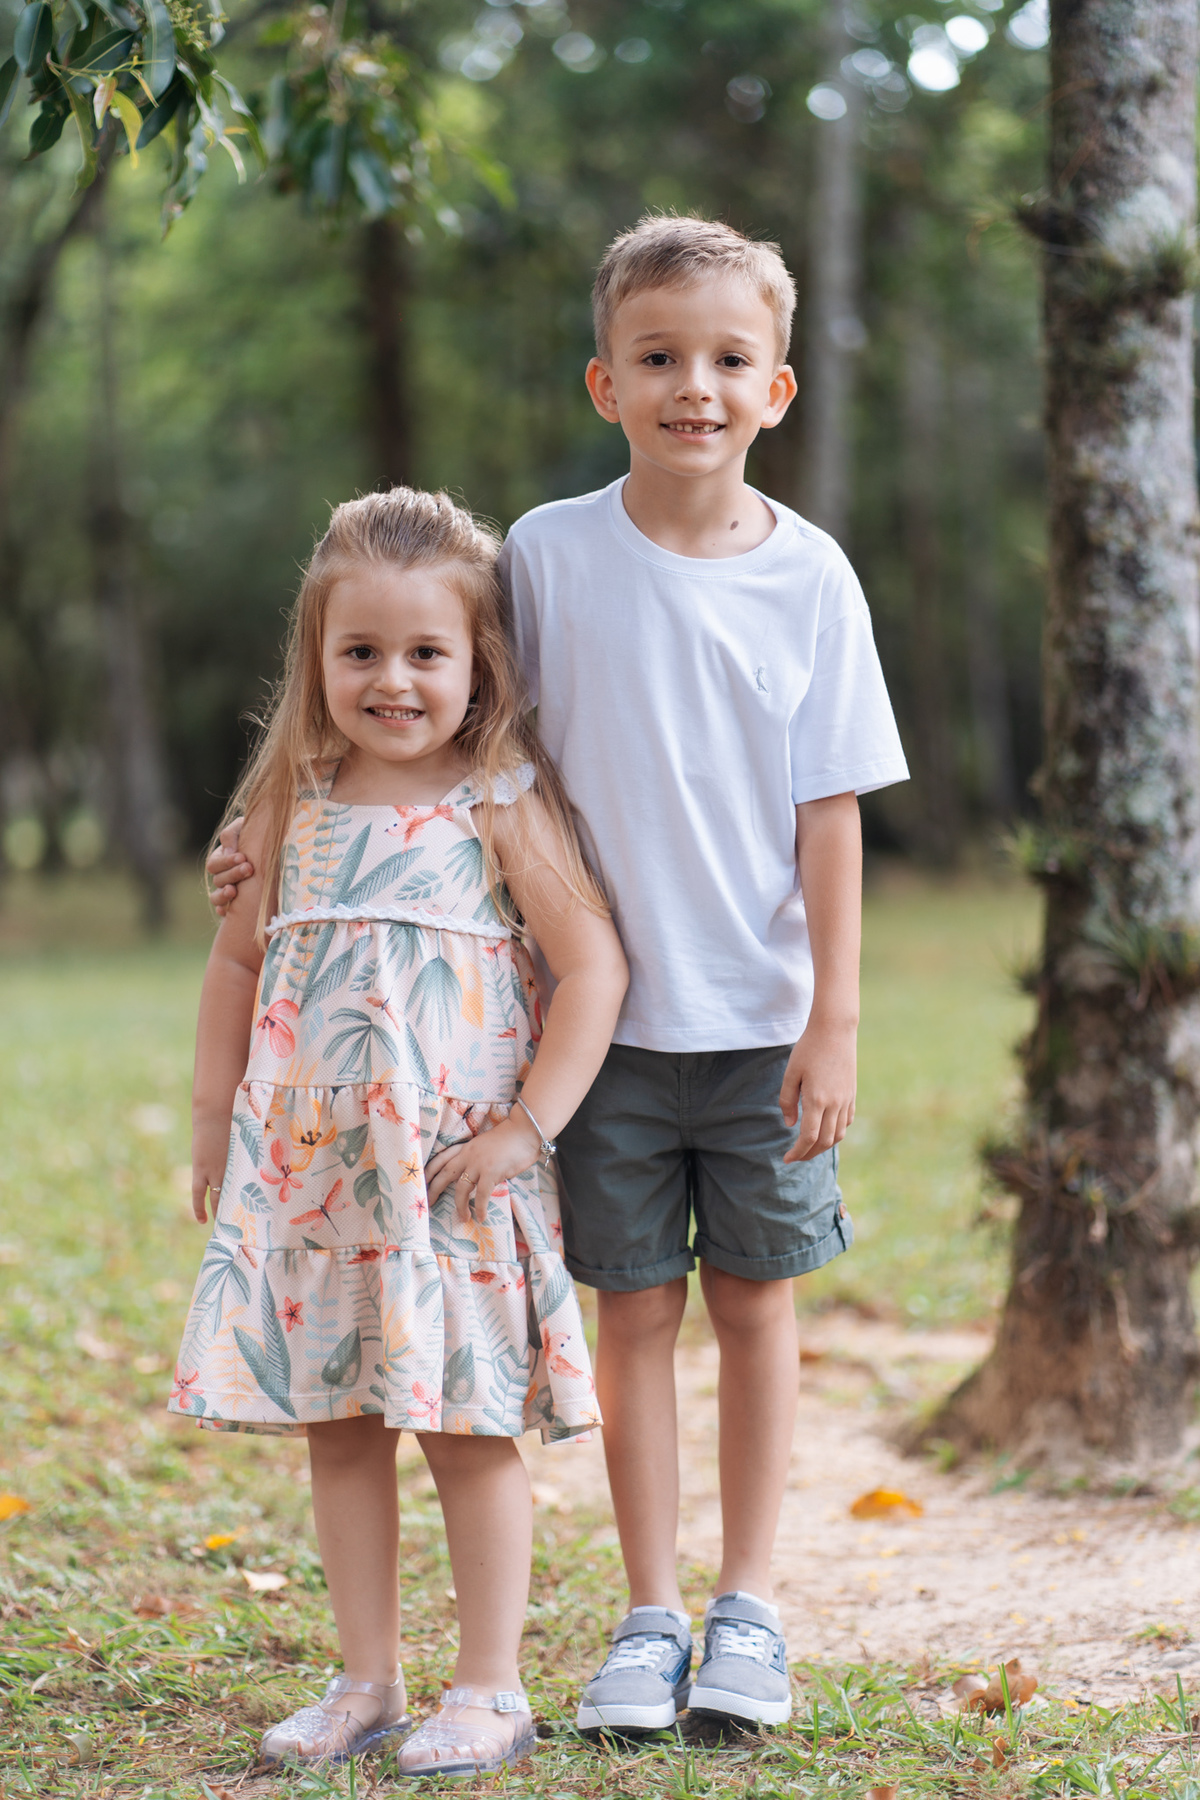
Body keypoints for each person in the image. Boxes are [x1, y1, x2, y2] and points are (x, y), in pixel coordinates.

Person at [210, 214, 909, 1734]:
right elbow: (429, 692)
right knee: (634, 1313)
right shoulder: (547, 552)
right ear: (607, 383)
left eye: (730, 360)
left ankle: (750, 1607)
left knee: (759, 1307)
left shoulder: (814, 580)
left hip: (762, 1016)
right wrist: (282, 836)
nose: (695, 388)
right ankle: (648, 1616)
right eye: (660, 358)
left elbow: (832, 811)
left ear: (777, 389)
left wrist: (835, 1017)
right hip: (582, 1041)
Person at [176, 486, 628, 1775]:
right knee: (342, 1424)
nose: (392, 679)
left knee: (470, 1428)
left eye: (427, 652)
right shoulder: (289, 810)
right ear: (315, 661)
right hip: (318, 1181)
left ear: (477, 663)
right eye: (360, 652)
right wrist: (217, 1126)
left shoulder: (496, 801)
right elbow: (232, 968)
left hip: (456, 1182)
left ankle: (489, 1685)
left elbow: (591, 968)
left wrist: (528, 1131)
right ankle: (365, 1676)